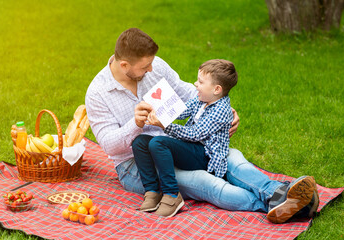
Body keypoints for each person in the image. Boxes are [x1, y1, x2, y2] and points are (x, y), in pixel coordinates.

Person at [85, 28, 319, 224]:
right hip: (135, 164)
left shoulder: (154, 67)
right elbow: (109, 146)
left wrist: (221, 110)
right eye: (145, 67)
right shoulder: (97, 93)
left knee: (232, 158)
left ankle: (281, 192)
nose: (151, 71)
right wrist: (135, 124)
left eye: (151, 64)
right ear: (124, 64)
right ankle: (284, 206)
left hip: (174, 144)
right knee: (204, 181)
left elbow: (189, 93)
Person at [132, 59, 238, 217]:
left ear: (216, 89)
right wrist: (158, 107)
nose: (196, 84)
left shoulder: (221, 110)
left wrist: (165, 125)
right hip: (190, 148)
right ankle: (152, 191)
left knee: (158, 143)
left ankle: (172, 195)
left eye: (201, 82)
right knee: (139, 142)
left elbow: (194, 133)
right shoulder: (201, 99)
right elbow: (180, 111)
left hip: (204, 157)